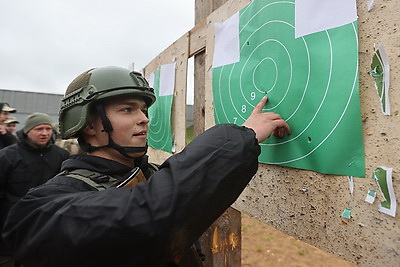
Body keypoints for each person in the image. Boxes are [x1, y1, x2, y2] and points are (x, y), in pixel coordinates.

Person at [2, 66, 290, 267]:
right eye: (127, 109)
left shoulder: (148, 174)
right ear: (88, 125)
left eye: (143, 109)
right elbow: (149, 217)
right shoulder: (39, 209)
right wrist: (239, 138)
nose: (144, 118)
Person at [0, 112, 70, 266]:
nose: (44, 133)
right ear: (27, 131)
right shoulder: (7, 156)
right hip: (10, 232)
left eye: (48, 128)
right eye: (39, 129)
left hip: (46, 231)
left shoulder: (62, 156)